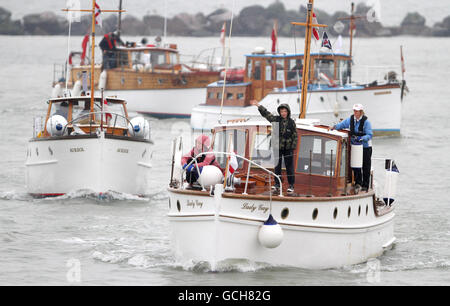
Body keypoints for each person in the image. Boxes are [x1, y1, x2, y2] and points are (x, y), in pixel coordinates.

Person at [251, 100, 297, 193]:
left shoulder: (292, 123)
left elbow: (295, 136)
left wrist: (292, 147)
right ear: (279, 112)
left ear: (288, 112)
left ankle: (291, 185)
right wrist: (259, 106)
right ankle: (277, 184)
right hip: (277, 148)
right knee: (277, 167)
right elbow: (266, 114)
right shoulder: (275, 119)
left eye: (285, 111)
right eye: (281, 111)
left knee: (290, 167)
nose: (283, 113)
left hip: (288, 149)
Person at [330, 103, 373, 192]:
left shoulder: (366, 122)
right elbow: (341, 125)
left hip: (365, 147)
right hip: (355, 146)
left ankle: (365, 185)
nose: (355, 112)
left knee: (365, 166)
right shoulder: (350, 120)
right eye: (354, 111)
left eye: (357, 111)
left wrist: (362, 139)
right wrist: (334, 127)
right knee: (355, 165)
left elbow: (369, 135)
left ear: (361, 112)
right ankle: (358, 183)